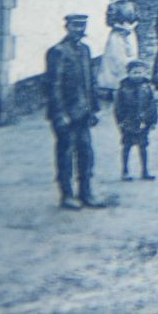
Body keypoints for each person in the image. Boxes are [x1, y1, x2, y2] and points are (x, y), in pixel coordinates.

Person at [46, 14, 104, 209]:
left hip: (84, 112)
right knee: (66, 153)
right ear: (67, 27)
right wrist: (59, 114)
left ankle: (86, 193)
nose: (79, 29)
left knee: (86, 153)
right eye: (75, 25)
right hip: (66, 114)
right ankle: (67, 195)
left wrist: (94, 108)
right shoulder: (58, 51)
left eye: (82, 25)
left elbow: (90, 81)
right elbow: (53, 85)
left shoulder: (86, 50)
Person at [115, 59, 158, 182]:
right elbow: (118, 108)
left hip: (143, 123)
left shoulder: (147, 88)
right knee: (127, 147)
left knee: (143, 147)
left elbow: (152, 106)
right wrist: (121, 121)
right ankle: (125, 171)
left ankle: (145, 171)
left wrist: (153, 121)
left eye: (140, 72)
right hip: (128, 123)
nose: (138, 75)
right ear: (128, 73)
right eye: (134, 72)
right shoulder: (123, 89)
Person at [97, 0, 139, 101]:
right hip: (117, 35)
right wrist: (121, 27)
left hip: (130, 34)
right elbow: (110, 22)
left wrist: (131, 27)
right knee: (116, 60)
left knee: (130, 59)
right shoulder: (113, 6)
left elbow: (137, 19)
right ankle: (113, 87)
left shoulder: (133, 5)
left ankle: (130, 87)